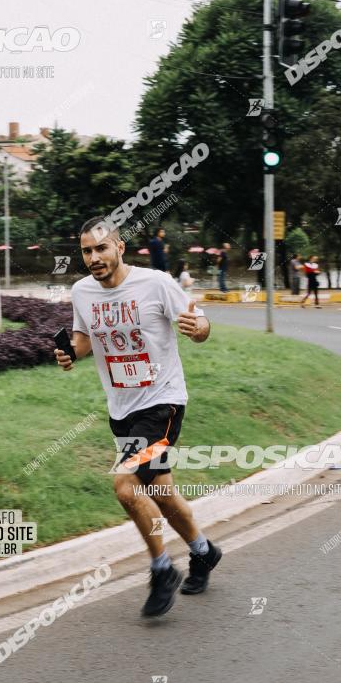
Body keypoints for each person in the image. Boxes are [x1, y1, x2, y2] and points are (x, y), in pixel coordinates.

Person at [54, 216, 222, 619]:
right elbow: (83, 339)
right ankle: (203, 551)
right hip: (122, 408)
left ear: (119, 247)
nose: (94, 257)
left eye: (101, 248)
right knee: (161, 493)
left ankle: (162, 570)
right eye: (87, 251)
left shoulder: (156, 283)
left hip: (162, 403)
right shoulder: (82, 292)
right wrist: (69, 353)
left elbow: (201, 323)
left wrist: (196, 328)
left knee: (126, 488)